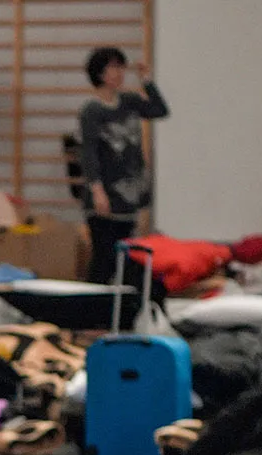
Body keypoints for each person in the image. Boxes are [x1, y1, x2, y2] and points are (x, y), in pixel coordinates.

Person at [76, 46, 168, 284]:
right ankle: (91, 313)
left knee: (123, 257)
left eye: (120, 67)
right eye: (112, 68)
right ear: (99, 74)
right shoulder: (92, 111)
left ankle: (116, 310)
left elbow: (159, 110)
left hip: (129, 194)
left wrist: (146, 80)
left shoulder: (129, 101)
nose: (118, 73)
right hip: (105, 194)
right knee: (103, 258)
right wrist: (97, 191)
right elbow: (89, 152)